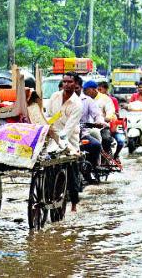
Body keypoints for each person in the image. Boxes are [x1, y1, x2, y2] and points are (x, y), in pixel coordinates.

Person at [46, 72, 82, 212]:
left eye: (70, 82)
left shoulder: (77, 104)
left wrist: (59, 141)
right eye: (65, 82)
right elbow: (48, 115)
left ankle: (73, 203)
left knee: (72, 171)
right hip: (51, 135)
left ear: (75, 84)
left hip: (69, 140)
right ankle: (49, 192)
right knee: (47, 165)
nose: (67, 84)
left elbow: (69, 128)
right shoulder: (55, 96)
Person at [83, 80, 125, 162]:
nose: (84, 92)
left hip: (101, 125)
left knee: (106, 138)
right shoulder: (83, 99)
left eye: (86, 90)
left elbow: (110, 111)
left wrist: (106, 118)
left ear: (93, 89)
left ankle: (104, 158)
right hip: (85, 126)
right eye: (83, 90)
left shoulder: (105, 99)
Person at [75, 76, 104, 177]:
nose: (73, 90)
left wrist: (99, 122)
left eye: (76, 87)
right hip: (64, 135)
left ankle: (93, 167)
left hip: (81, 134)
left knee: (96, 145)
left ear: (80, 88)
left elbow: (97, 114)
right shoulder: (59, 98)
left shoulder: (87, 100)